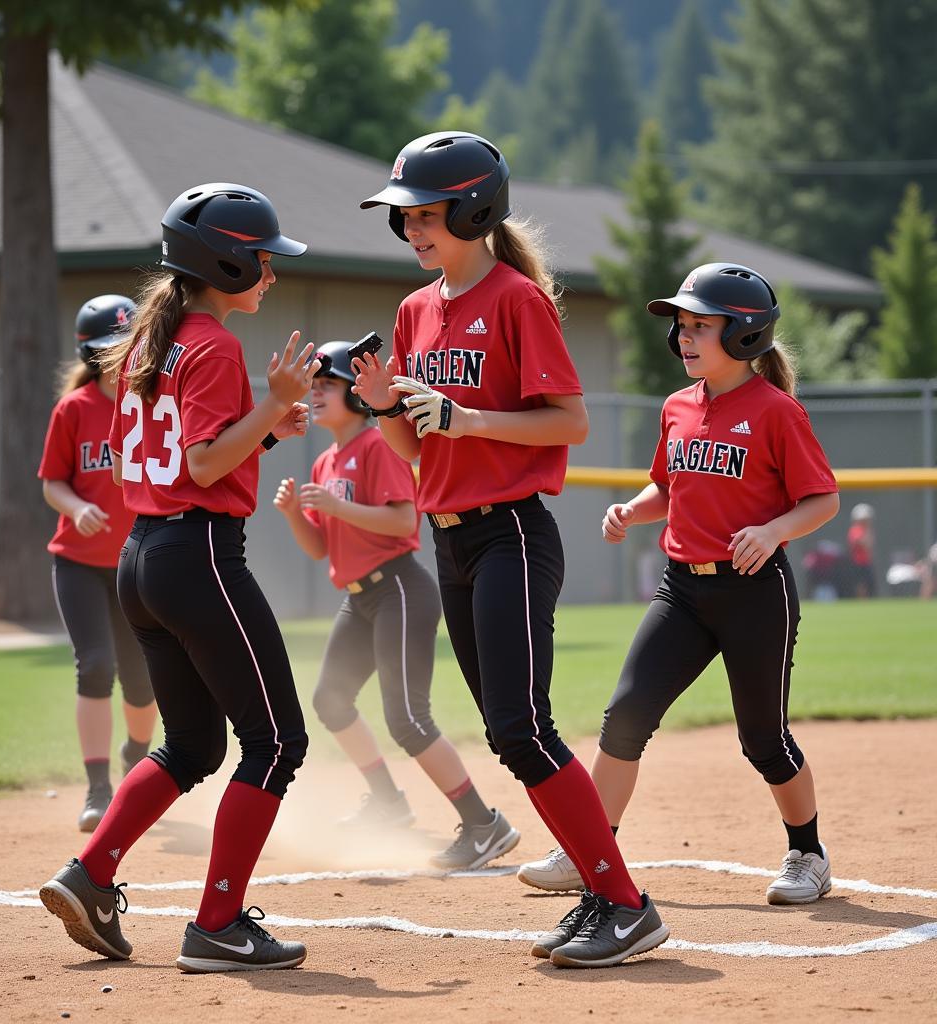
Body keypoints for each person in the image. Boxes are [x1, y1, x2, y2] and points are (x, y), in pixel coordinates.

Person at [354, 131, 669, 968]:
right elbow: (418, 454)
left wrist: (467, 416)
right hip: (450, 539)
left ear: (474, 209)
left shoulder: (515, 299)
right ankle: (607, 895)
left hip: (512, 535)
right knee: (508, 732)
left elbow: (570, 421)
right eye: (406, 218)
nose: (414, 231)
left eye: (427, 215)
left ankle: (623, 903)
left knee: (522, 726)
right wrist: (388, 406)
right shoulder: (415, 311)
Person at [40, 183, 319, 974]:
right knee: (276, 742)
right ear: (224, 260)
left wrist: (265, 425)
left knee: (193, 744)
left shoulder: (149, 343)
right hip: (196, 558)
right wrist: (274, 405)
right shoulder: (218, 345)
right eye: (262, 260)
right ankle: (219, 926)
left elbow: (178, 462)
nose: (270, 273)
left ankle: (90, 874)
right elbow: (199, 464)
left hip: (143, 559)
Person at [516, 263, 840, 909]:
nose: (685, 337)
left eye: (701, 325)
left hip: (753, 591)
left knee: (763, 740)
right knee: (624, 718)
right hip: (681, 592)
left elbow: (821, 500)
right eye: (682, 326)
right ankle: (592, 854)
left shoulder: (777, 412)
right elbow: (668, 487)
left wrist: (774, 530)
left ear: (746, 335)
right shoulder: (677, 407)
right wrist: (635, 510)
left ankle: (807, 852)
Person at [274, 340, 518, 870]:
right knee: (330, 702)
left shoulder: (377, 446)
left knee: (407, 718)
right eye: (313, 385)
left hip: (399, 590)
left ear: (357, 399)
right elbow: (321, 548)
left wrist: (337, 504)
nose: (315, 393)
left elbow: (404, 523)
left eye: (327, 385)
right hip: (359, 598)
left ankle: (484, 824)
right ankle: (387, 802)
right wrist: (297, 513)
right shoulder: (325, 459)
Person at [39, 295, 159, 832]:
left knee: (144, 680)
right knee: (96, 665)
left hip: (136, 559)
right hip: (80, 564)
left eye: (124, 346)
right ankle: (97, 787)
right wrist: (78, 505)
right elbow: (52, 483)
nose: (115, 358)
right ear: (88, 355)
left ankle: (136, 755)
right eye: (104, 350)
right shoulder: (75, 408)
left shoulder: (151, 401)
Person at [846, 502, 876, 598]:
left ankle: (866, 599)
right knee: (861, 584)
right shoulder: (855, 529)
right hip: (858, 562)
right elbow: (864, 544)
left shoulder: (866, 530)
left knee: (868, 583)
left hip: (866, 561)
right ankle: (862, 600)